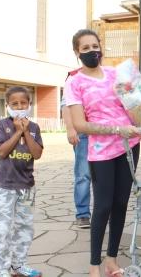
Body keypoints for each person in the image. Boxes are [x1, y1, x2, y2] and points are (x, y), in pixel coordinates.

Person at [64, 29, 141, 277]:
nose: (91, 51)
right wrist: (117, 129)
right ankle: (94, 265)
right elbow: (81, 124)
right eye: (85, 48)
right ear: (77, 53)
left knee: (120, 204)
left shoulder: (115, 73)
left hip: (130, 144)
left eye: (94, 46)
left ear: (101, 47)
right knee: (103, 205)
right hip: (102, 151)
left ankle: (111, 261)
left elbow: (138, 97)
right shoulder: (74, 83)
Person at [0, 86, 43, 277]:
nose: (19, 106)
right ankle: (1, 269)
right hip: (5, 186)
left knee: (25, 228)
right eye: (15, 104)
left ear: (29, 105)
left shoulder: (34, 128)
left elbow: (37, 153)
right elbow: (2, 151)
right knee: (3, 229)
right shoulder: (1, 125)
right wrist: (17, 132)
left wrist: (26, 132)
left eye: (23, 103)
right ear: (7, 106)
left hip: (27, 187)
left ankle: (19, 265)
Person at [61, 70, 92, 229]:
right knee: (83, 174)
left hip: (105, 133)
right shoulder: (75, 76)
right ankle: (83, 214)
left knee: (104, 176)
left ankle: (103, 212)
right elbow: (66, 105)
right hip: (84, 134)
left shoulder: (108, 75)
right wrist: (70, 128)